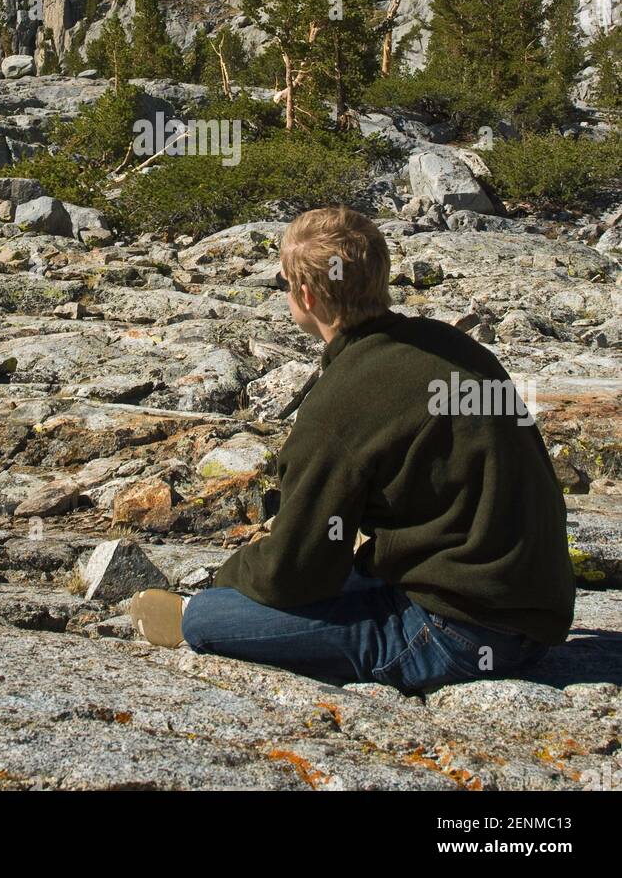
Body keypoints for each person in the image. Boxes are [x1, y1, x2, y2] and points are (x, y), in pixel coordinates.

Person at [129, 204, 574, 693]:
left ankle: (205, 613)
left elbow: (298, 572)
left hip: (462, 634)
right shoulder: (456, 347)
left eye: (283, 284)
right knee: (350, 581)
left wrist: (226, 577)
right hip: (540, 614)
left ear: (306, 295)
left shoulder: (338, 404)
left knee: (208, 621)